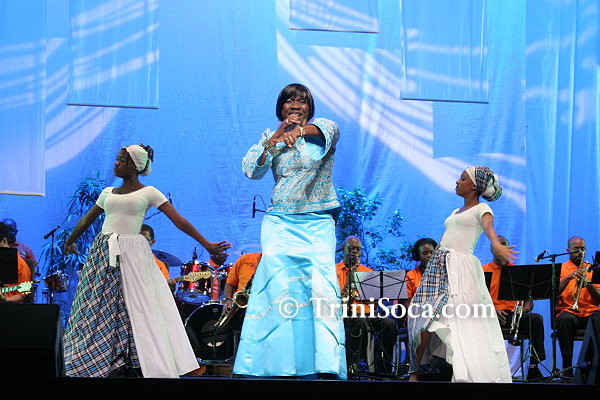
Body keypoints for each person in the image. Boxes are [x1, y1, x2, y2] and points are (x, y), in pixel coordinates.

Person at [62, 144, 231, 378]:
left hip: (132, 251)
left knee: (139, 304)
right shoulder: (108, 192)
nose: (116, 163)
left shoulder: (149, 192)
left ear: (136, 165)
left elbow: (179, 221)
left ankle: (138, 358)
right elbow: (87, 219)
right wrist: (70, 240)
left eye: (122, 160)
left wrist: (207, 245)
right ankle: (101, 357)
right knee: (99, 303)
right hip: (104, 251)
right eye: (117, 158)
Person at [234, 83, 346, 379]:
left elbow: (325, 131)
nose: (295, 105)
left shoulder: (323, 129)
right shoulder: (270, 139)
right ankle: (275, 362)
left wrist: (297, 132)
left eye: (302, 101)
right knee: (278, 286)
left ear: (310, 107)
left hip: (317, 222)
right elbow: (251, 170)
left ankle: (324, 363)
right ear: (281, 107)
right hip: (280, 222)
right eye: (289, 101)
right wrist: (275, 138)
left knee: (320, 286)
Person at [407, 166, 516, 383]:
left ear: (474, 186)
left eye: (463, 178)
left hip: (460, 267)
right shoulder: (455, 211)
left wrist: (496, 244)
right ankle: (414, 371)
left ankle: (453, 372)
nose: (457, 181)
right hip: (440, 266)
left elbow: (489, 228)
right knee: (420, 317)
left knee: (461, 321)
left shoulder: (482, 208)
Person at [482, 235, 546, 381]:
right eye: (498, 245)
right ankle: (486, 370)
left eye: (504, 244)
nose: (501, 247)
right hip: (491, 316)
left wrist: (524, 310)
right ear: (491, 249)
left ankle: (534, 367)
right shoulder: (483, 271)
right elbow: (476, 299)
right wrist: (492, 310)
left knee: (536, 319)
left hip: (515, 316)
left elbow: (529, 301)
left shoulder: (520, 272)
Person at [336, 236, 397, 376]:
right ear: (343, 249)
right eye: (351, 248)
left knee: (389, 324)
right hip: (345, 313)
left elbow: (375, 303)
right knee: (359, 321)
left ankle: (382, 369)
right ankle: (355, 366)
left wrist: (369, 296)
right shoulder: (335, 270)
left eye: (357, 249)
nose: (354, 251)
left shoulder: (368, 272)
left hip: (367, 313)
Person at [555, 236, 600, 376]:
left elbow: (599, 298)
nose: (580, 252)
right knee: (564, 319)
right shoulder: (560, 269)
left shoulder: (593, 268)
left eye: (582, 249)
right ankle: (567, 367)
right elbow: (553, 293)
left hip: (590, 312)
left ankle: (590, 367)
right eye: (576, 249)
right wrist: (569, 277)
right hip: (568, 312)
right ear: (568, 250)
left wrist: (588, 284)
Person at [0, 222, 31, 303]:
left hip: (7, 308)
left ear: (4, 241)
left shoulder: (20, 265)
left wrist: (5, 299)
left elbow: (22, 294)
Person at [406, 238, 438, 303]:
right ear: (418, 256)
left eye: (432, 252)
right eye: (425, 253)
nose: (429, 255)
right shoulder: (411, 275)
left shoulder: (442, 273)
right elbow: (407, 303)